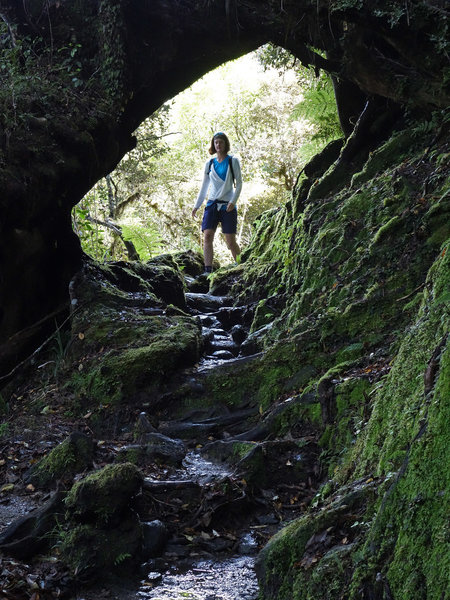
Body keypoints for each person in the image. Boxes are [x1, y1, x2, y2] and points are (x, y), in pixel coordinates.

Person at [192, 132, 242, 273]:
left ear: (225, 144)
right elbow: (204, 187)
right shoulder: (209, 164)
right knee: (207, 236)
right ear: (213, 145)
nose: (218, 145)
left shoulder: (233, 161)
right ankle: (208, 270)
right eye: (216, 142)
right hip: (212, 205)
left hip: (228, 206)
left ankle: (241, 267)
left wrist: (233, 201)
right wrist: (196, 206)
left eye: (220, 142)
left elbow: (239, 184)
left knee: (230, 241)